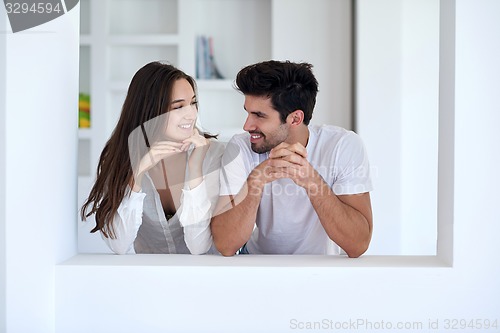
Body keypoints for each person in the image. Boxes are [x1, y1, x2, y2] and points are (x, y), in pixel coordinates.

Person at [211, 60, 373, 257]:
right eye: (247, 113)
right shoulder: (240, 148)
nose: (247, 126)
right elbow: (225, 245)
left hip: (321, 270)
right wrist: (255, 182)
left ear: (295, 118)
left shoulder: (342, 146)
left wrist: (313, 183)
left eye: (259, 115)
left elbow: (358, 244)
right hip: (256, 265)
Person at [80, 61, 224, 255]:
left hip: (205, 277)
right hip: (148, 278)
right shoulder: (120, 156)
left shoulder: (212, 154)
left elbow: (199, 247)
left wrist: (195, 170)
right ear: (150, 111)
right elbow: (119, 245)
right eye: (178, 107)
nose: (191, 114)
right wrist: (137, 173)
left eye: (193, 103)